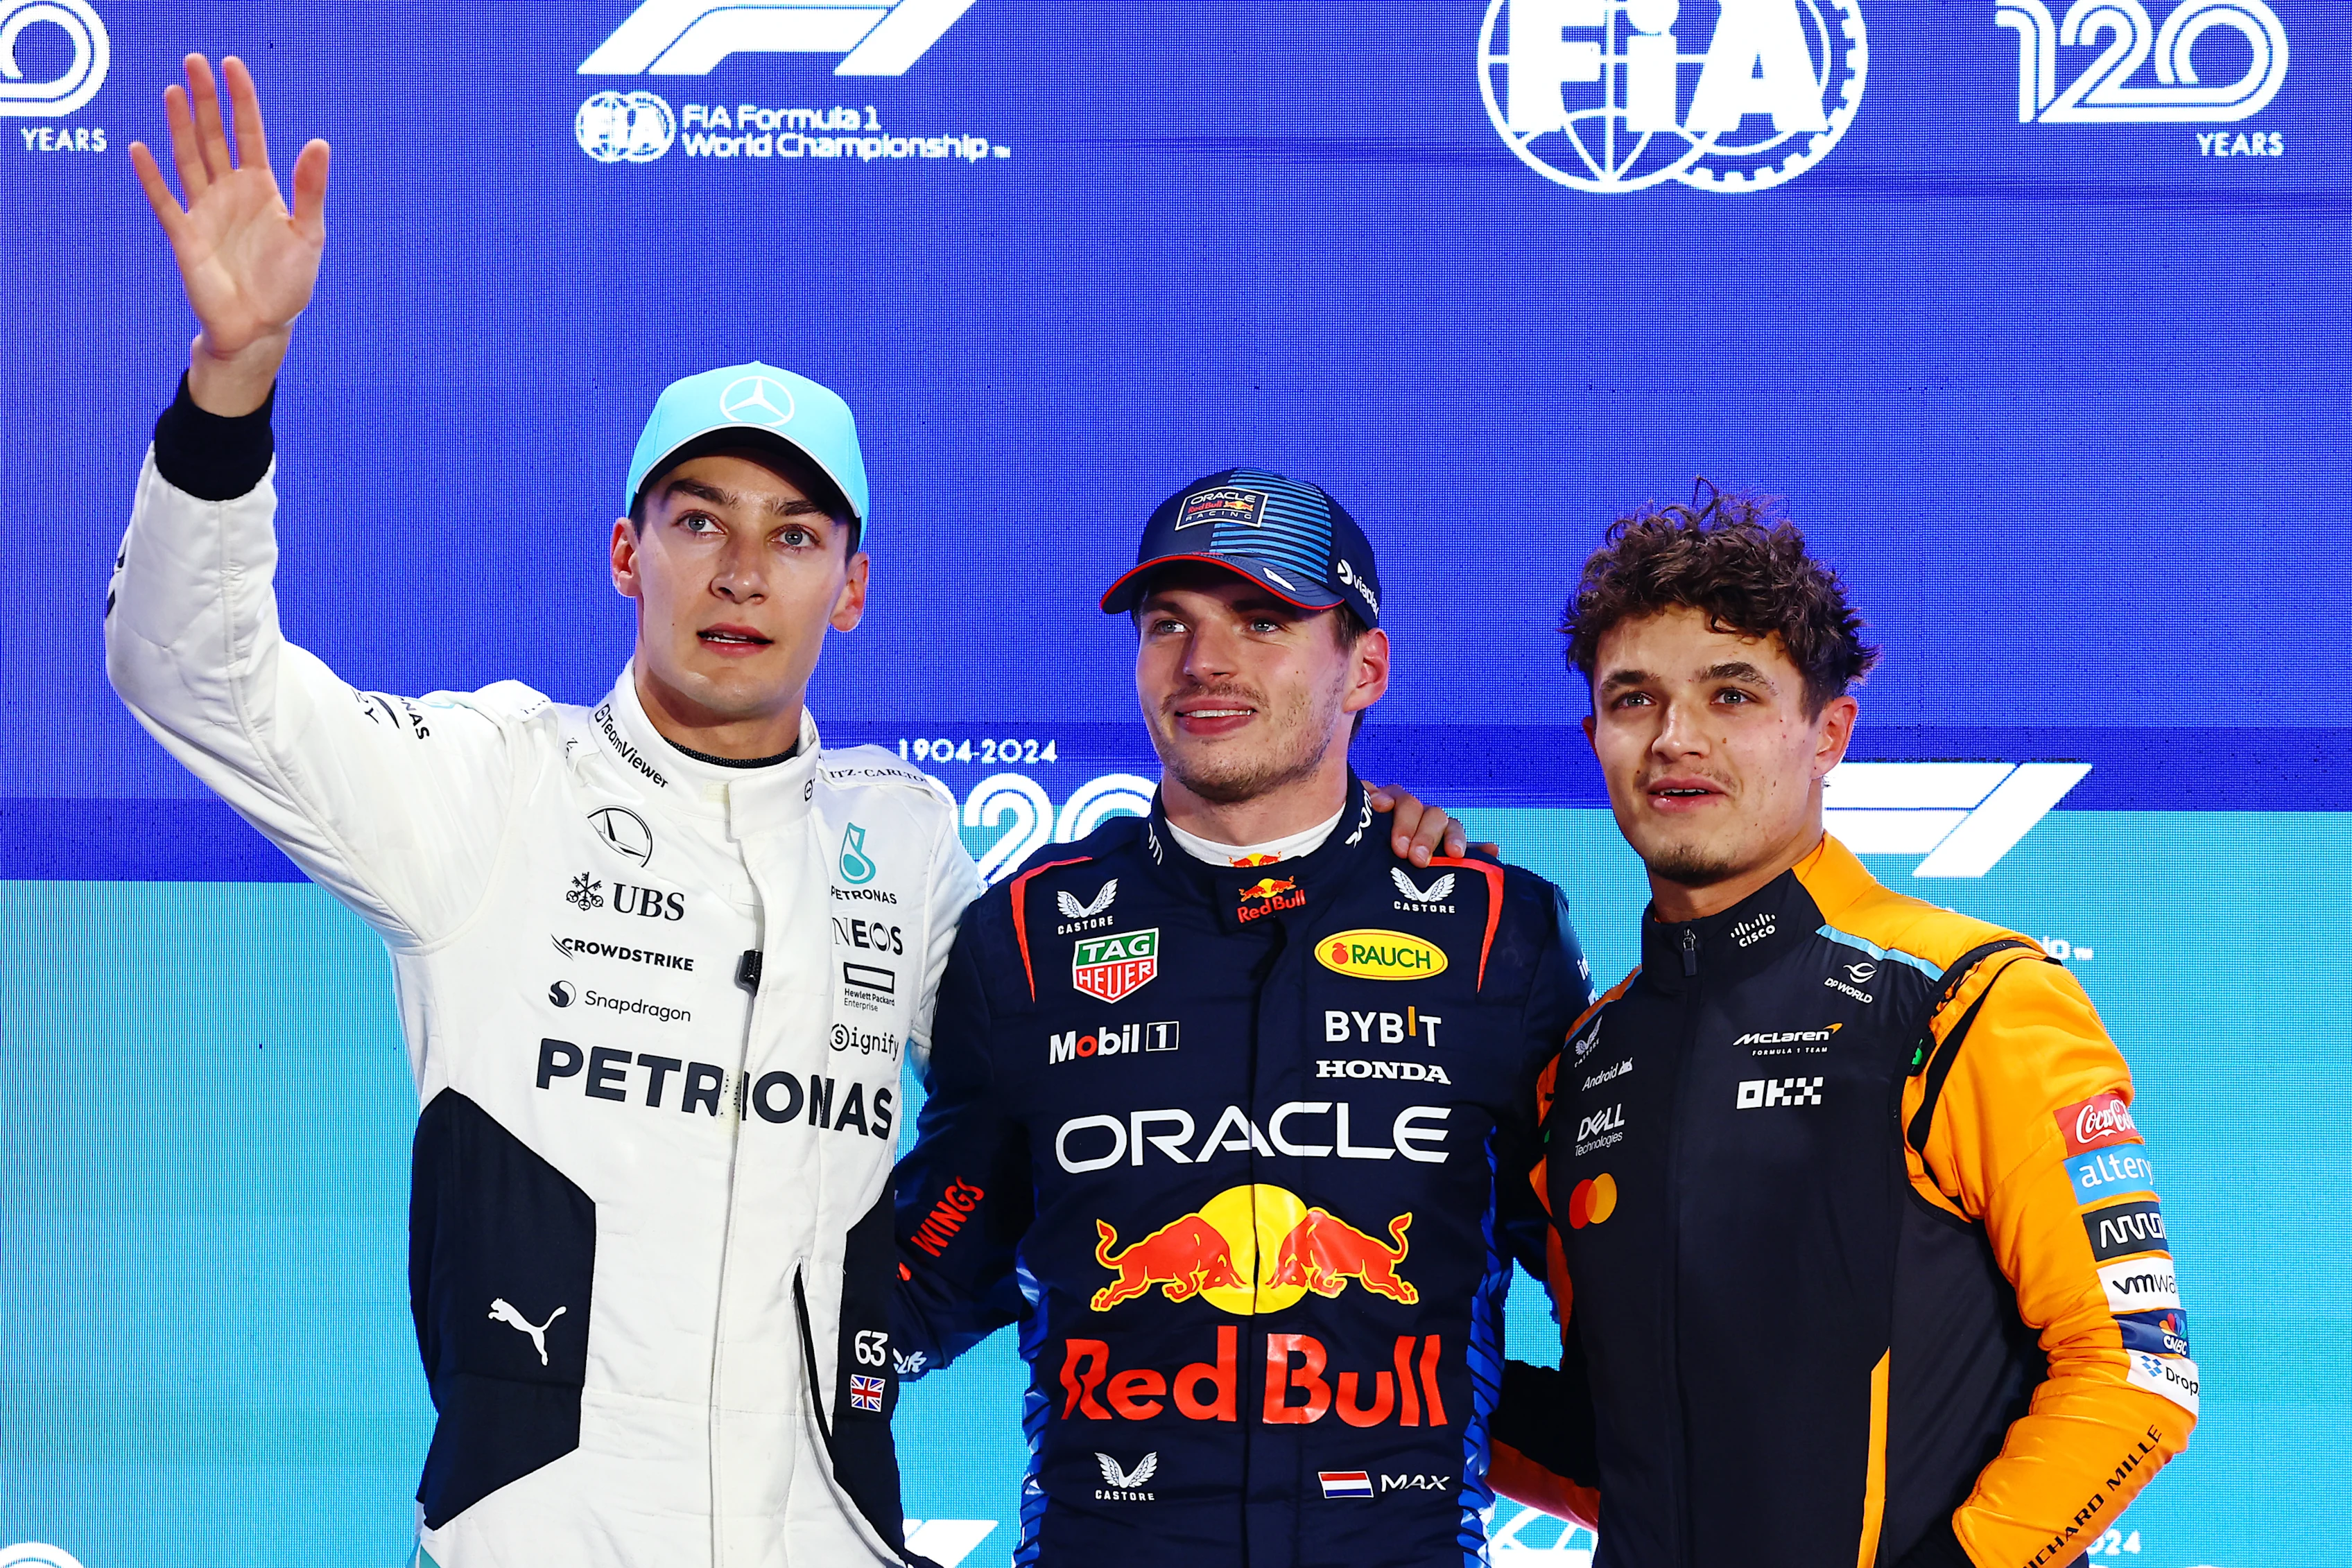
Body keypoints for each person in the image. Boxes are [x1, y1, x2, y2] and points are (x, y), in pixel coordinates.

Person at [106, 58, 1471, 1565]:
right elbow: (191, 669)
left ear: (853, 585)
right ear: (629, 554)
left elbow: (1106, 1046)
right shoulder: (487, 784)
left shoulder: (904, 843)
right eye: (701, 522)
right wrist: (230, 385)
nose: (743, 572)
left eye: (794, 532)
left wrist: (1348, 846)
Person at [888, 469, 1596, 1565]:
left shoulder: (1500, 932)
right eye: (1169, 623)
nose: (1204, 662)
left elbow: (1613, 1293)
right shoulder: (1026, 935)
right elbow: (933, 1266)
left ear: (1366, 666)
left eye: (1263, 621)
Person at [1488, 489, 2197, 1568]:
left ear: (1830, 733)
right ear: (1596, 735)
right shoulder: (1582, 1067)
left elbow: (2136, 1373)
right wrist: (1374, 1379)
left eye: (1733, 694)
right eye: (1635, 699)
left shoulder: (1970, 997)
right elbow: (1619, 1446)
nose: (1678, 738)